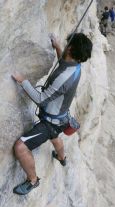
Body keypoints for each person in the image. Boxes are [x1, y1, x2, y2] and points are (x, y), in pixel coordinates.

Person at [11, 33, 93, 195]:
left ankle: (32, 180)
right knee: (55, 137)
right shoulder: (75, 66)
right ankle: (62, 158)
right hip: (61, 118)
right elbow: (64, 61)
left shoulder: (65, 77)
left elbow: (41, 99)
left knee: (20, 148)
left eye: (67, 43)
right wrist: (57, 47)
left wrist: (23, 81)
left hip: (50, 123)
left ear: (70, 48)